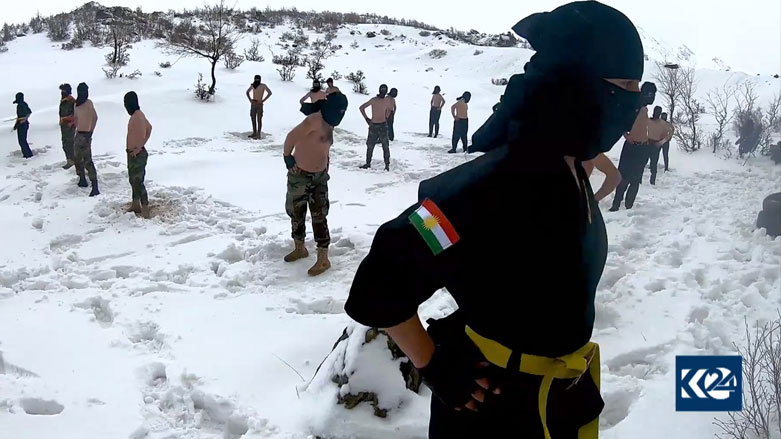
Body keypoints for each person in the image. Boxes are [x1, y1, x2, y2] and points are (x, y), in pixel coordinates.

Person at [344, 2, 644, 438]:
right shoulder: (491, 184)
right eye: (624, 86)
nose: (632, 103)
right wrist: (435, 366)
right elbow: (378, 284)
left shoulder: (573, 165)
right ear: (574, 85)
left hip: (558, 401)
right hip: (495, 412)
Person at [282, 92, 349, 276]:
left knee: (320, 215)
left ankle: (323, 258)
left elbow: (323, 146)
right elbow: (290, 137)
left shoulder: (330, 124)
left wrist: (326, 164)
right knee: (297, 212)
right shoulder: (313, 120)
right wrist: (288, 158)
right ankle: (300, 248)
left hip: (319, 178)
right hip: (300, 175)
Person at [609, 81, 656, 211]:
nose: (652, 97)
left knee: (635, 179)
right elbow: (620, 120)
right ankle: (616, 204)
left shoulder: (644, 108)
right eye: (650, 94)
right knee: (623, 176)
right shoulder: (633, 105)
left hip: (643, 147)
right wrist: (626, 134)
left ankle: (628, 206)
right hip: (631, 146)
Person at [124, 91, 153, 219]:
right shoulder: (137, 115)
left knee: (138, 182)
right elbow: (149, 127)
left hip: (138, 154)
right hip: (132, 154)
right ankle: (136, 203)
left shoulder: (138, 117)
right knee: (133, 180)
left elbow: (147, 129)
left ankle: (145, 207)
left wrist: (139, 147)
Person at [73, 83, 99, 196]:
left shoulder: (88, 103)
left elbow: (95, 117)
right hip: (79, 134)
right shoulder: (76, 104)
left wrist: (90, 131)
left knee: (87, 160)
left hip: (86, 134)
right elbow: (76, 118)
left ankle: (95, 185)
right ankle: (82, 179)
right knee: (77, 158)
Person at [359, 84, 393, 171]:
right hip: (374, 125)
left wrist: (386, 117)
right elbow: (361, 108)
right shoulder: (374, 100)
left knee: (385, 146)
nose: (383, 91)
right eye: (382, 89)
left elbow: (390, 109)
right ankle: (368, 163)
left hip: (383, 125)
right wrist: (367, 119)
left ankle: (387, 165)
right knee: (370, 146)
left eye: (385, 89)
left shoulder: (386, 100)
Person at [646, 106, 674, 185]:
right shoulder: (649, 120)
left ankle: (652, 181)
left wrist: (663, 141)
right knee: (644, 161)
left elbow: (671, 131)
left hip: (656, 143)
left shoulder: (663, 123)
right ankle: (639, 179)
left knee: (654, 162)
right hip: (648, 142)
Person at [245, 75, 272, 139]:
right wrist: (250, 100)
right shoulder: (253, 85)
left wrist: (263, 100)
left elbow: (270, 93)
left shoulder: (263, 86)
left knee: (259, 119)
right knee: (253, 118)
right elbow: (247, 92)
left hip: (259, 103)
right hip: (254, 103)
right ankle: (254, 132)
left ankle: (258, 134)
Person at [58, 84, 76, 169]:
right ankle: (69, 159)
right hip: (64, 125)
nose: (62, 93)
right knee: (65, 143)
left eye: (63, 91)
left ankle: (72, 160)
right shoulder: (64, 100)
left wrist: (71, 122)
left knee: (70, 143)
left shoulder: (71, 101)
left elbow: (75, 114)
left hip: (69, 125)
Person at [12, 92, 33, 159]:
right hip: (25, 124)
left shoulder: (20, 105)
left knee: (22, 140)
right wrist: (25, 118)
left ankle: (27, 155)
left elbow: (20, 118)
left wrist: (18, 123)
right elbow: (29, 112)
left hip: (22, 125)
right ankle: (28, 154)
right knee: (23, 140)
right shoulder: (24, 104)